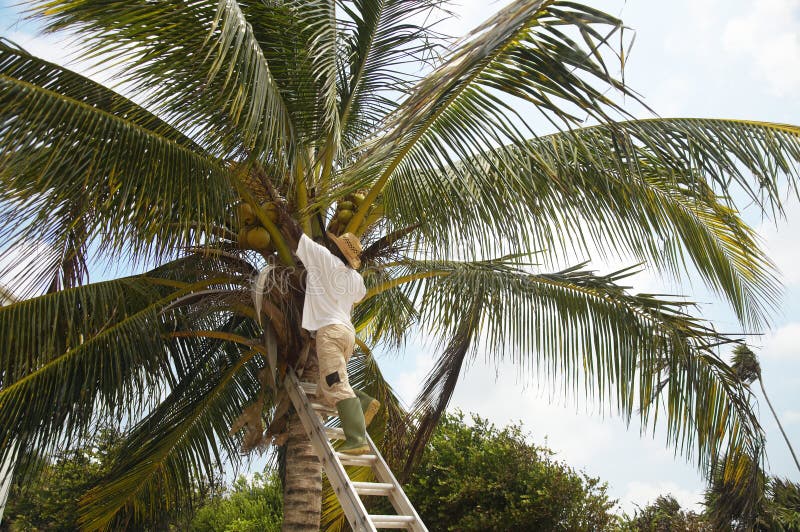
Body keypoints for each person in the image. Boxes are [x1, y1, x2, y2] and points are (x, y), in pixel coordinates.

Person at [279, 211, 380, 455]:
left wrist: (283, 215)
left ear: (336, 250)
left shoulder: (324, 258)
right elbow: (360, 295)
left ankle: (357, 439)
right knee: (327, 388)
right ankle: (363, 403)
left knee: (334, 384)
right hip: (348, 334)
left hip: (330, 334)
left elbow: (298, 237)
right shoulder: (355, 278)